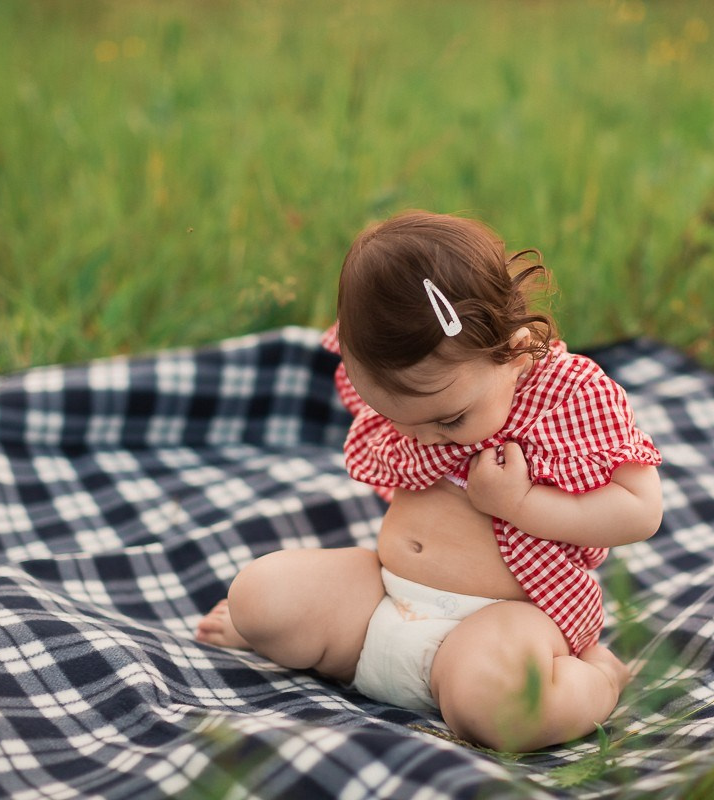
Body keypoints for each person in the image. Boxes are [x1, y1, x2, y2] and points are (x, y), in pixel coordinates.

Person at [196, 211, 663, 752]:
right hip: (384, 596)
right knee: (260, 595)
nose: (420, 439)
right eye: (391, 415)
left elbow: (640, 510)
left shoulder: (568, 396)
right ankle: (285, 634)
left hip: (505, 619)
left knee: (496, 706)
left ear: (513, 351)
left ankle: (597, 678)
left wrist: (521, 502)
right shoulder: (416, 384)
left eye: (447, 420)